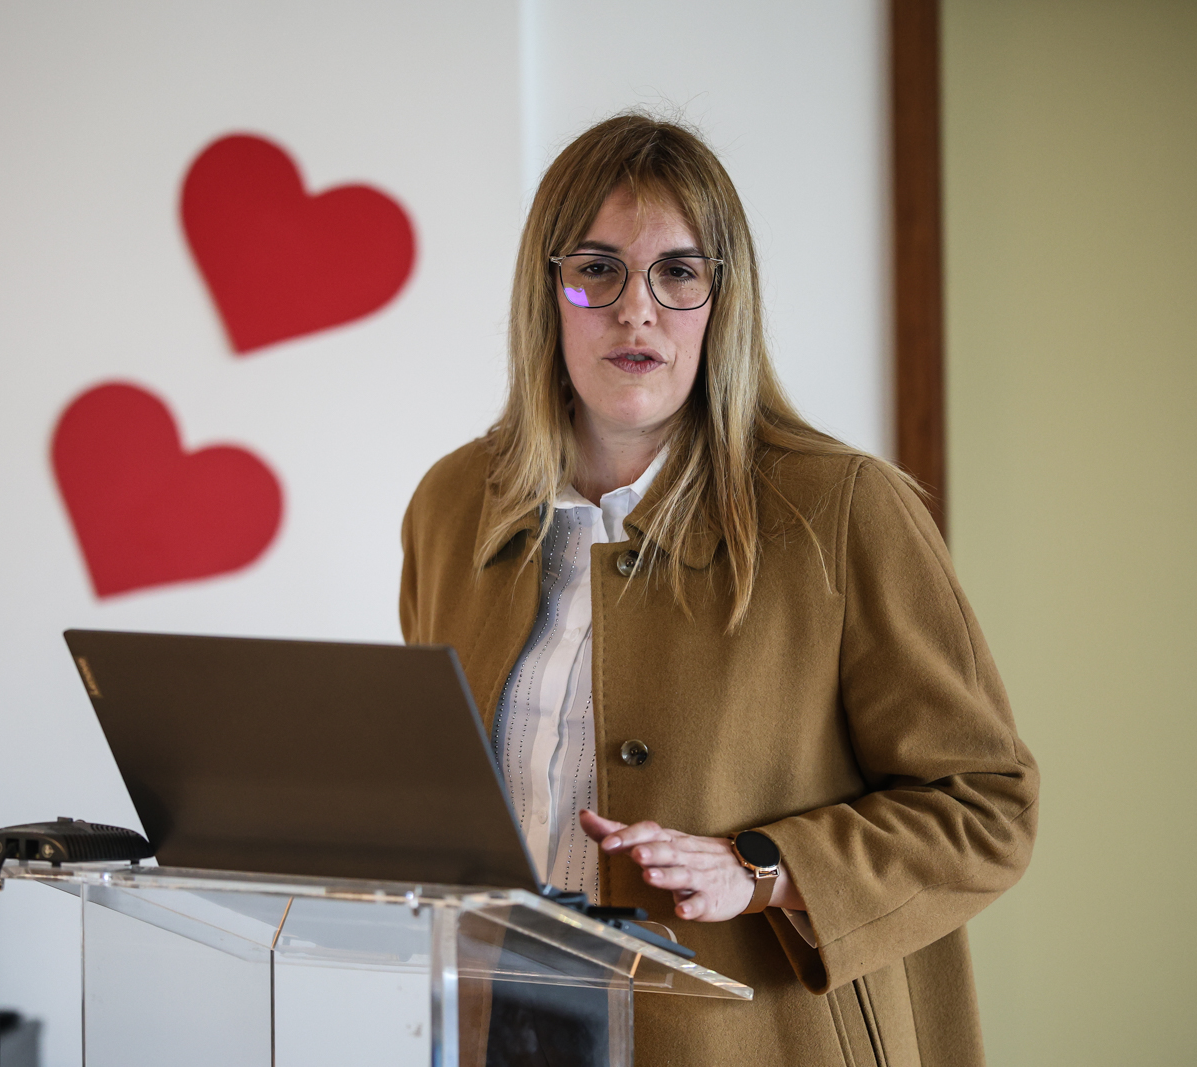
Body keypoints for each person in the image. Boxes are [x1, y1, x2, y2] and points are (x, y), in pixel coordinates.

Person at [398, 113, 1037, 1066]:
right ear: (550, 290)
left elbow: (987, 808)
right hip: (511, 1035)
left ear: (720, 300)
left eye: (678, 272)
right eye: (597, 268)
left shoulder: (842, 509)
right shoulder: (454, 506)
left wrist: (766, 869)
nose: (636, 310)